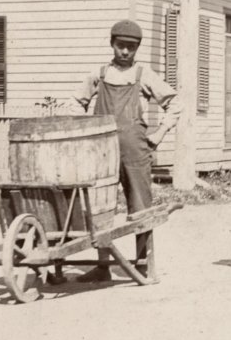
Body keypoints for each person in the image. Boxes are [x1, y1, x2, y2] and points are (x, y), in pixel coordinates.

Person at [68, 20, 181, 282]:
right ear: (112, 44)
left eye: (131, 47)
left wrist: (158, 135)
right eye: (121, 46)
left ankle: (143, 264)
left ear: (137, 48)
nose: (126, 52)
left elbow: (175, 104)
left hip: (135, 150)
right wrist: (82, 130)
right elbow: (76, 102)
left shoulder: (145, 75)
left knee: (140, 206)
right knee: (100, 206)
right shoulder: (99, 74)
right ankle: (103, 265)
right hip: (101, 151)